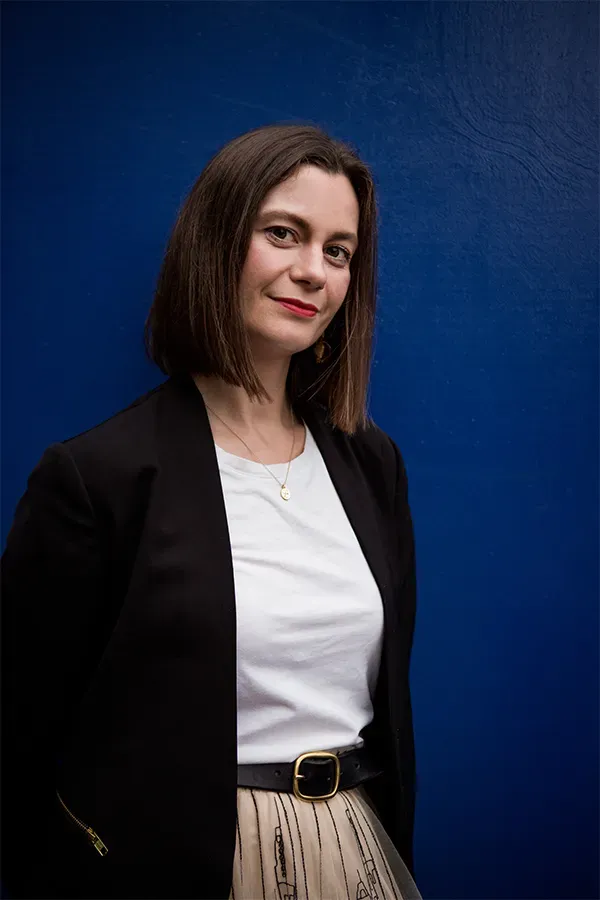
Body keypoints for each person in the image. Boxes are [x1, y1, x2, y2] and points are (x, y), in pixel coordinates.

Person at [1, 122, 420, 900]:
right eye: (283, 234)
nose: (313, 271)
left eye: (338, 251)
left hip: (354, 844)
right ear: (217, 241)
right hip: (181, 861)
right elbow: (19, 728)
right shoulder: (101, 477)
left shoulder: (371, 464)